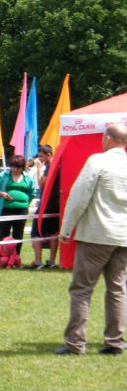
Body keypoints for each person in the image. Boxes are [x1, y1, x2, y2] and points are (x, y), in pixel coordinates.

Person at [55, 124, 127, 356]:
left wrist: (66, 229)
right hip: (123, 236)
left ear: (107, 139)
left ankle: (76, 343)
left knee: (82, 289)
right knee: (117, 290)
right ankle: (115, 341)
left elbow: (78, 197)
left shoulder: (97, 161)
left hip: (97, 234)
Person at [0, 154, 35, 257]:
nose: (15, 169)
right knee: (3, 234)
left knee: (18, 235)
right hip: (5, 209)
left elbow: (32, 193)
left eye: (18, 167)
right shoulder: (3, 175)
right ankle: (1, 258)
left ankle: (16, 257)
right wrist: (2, 194)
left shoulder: (27, 178)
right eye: (13, 166)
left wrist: (25, 203)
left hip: (22, 211)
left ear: (22, 167)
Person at [27, 145, 59, 269]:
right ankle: (51, 261)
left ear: (48, 155)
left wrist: (39, 169)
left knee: (36, 232)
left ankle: (38, 261)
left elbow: (41, 185)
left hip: (47, 205)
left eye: (41, 156)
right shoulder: (59, 165)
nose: (39, 159)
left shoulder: (49, 167)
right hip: (57, 205)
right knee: (53, 233)